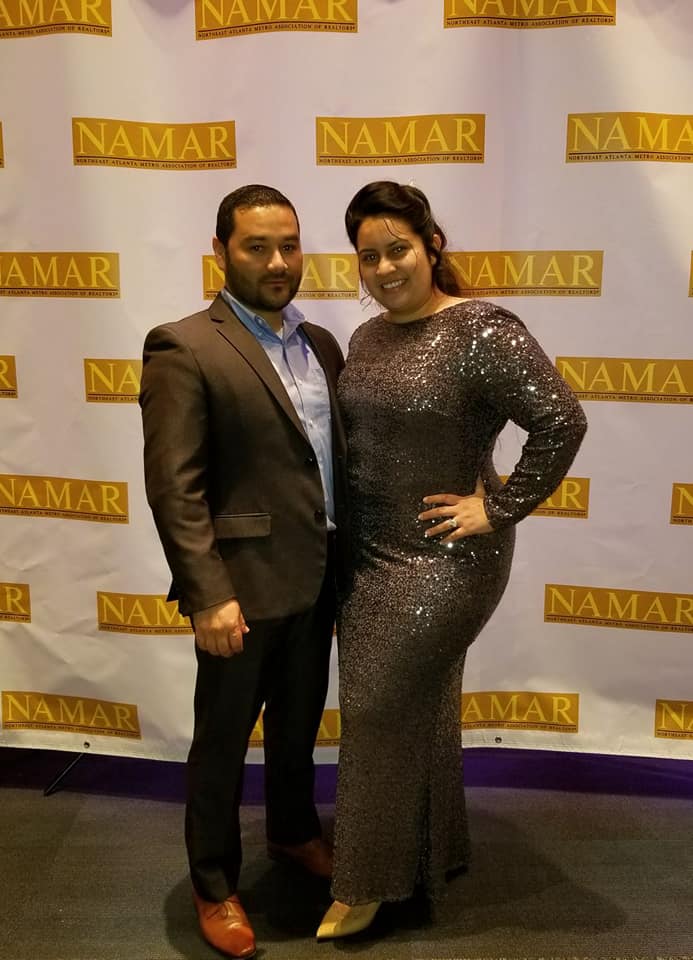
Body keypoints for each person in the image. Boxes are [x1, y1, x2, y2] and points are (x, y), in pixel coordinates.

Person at [316, 181, 588, 939]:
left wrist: (497, 507)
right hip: (367, 556)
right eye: (368, 256)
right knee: (421, 705)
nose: (384, 268)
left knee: (373, 712)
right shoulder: (367, 338)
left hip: (445, 560)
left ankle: (364, 883)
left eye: (397, 249)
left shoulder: (481, 329)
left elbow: (561, 419)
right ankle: (435, 848)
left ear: (431, 245)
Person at [139, 184, 346, 959]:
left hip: (319, 579)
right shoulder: (183, 345)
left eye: (289, 245)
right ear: (221, 252)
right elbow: (175, 486)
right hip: (239, 593)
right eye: (257, 246)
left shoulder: (322, 343)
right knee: (222, 745)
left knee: (297, 728)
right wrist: (207, 594)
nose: (278, 261)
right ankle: (214, 883)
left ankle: (293, 831)